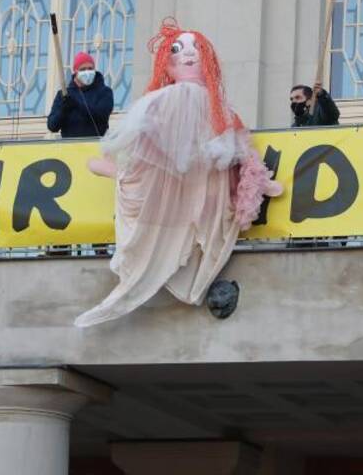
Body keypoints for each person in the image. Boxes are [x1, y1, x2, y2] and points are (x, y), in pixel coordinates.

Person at [74, 18, 282, 327]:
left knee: (206, 200)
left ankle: (119, 174)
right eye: (178, 49)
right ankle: (118, 173)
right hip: (176, 170)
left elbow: (238, 144)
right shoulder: (162, 100)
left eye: (196, 48)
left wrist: (257, 181)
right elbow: (142, 137)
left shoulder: (219, 108)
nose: (189, 54)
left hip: (203, 175)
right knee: (152, 181)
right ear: (168, 65)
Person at [47, 52, 114, 138]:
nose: (87, 72)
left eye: (90, 69)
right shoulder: (63, 94)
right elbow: (52, 126)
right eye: (83, 69)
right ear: (75, 71)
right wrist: (63, 111)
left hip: (95, 146)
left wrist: (77, 104)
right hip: (70, 148)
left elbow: (101, 114)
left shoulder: (105, 92)